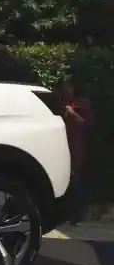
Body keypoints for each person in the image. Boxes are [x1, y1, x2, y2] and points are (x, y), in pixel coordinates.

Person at [58, 78, 94, 225]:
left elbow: (87, 124)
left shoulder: (82, 104)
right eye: (64, 88)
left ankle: (76, 216)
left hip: (76, 147)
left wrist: (73, 113)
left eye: (68, 87)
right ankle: (64, 215)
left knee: (75, 180)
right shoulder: (61, 104)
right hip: (62, 146)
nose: (66, 90)